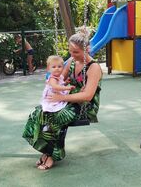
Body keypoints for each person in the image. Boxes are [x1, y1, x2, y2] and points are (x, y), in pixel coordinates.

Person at [22, 29, 102, 170]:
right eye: (70, 51)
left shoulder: (94, 67)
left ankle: (53, 154)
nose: (72, 55)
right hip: (67, 99)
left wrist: (61, 96)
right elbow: (61, 79)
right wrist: (52, 78)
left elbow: (87, 96)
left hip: (85, 106)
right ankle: (46, 151)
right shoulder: (71, 61)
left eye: (75, 52)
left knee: (56, 117)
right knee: (39, 112)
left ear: (87, 49)